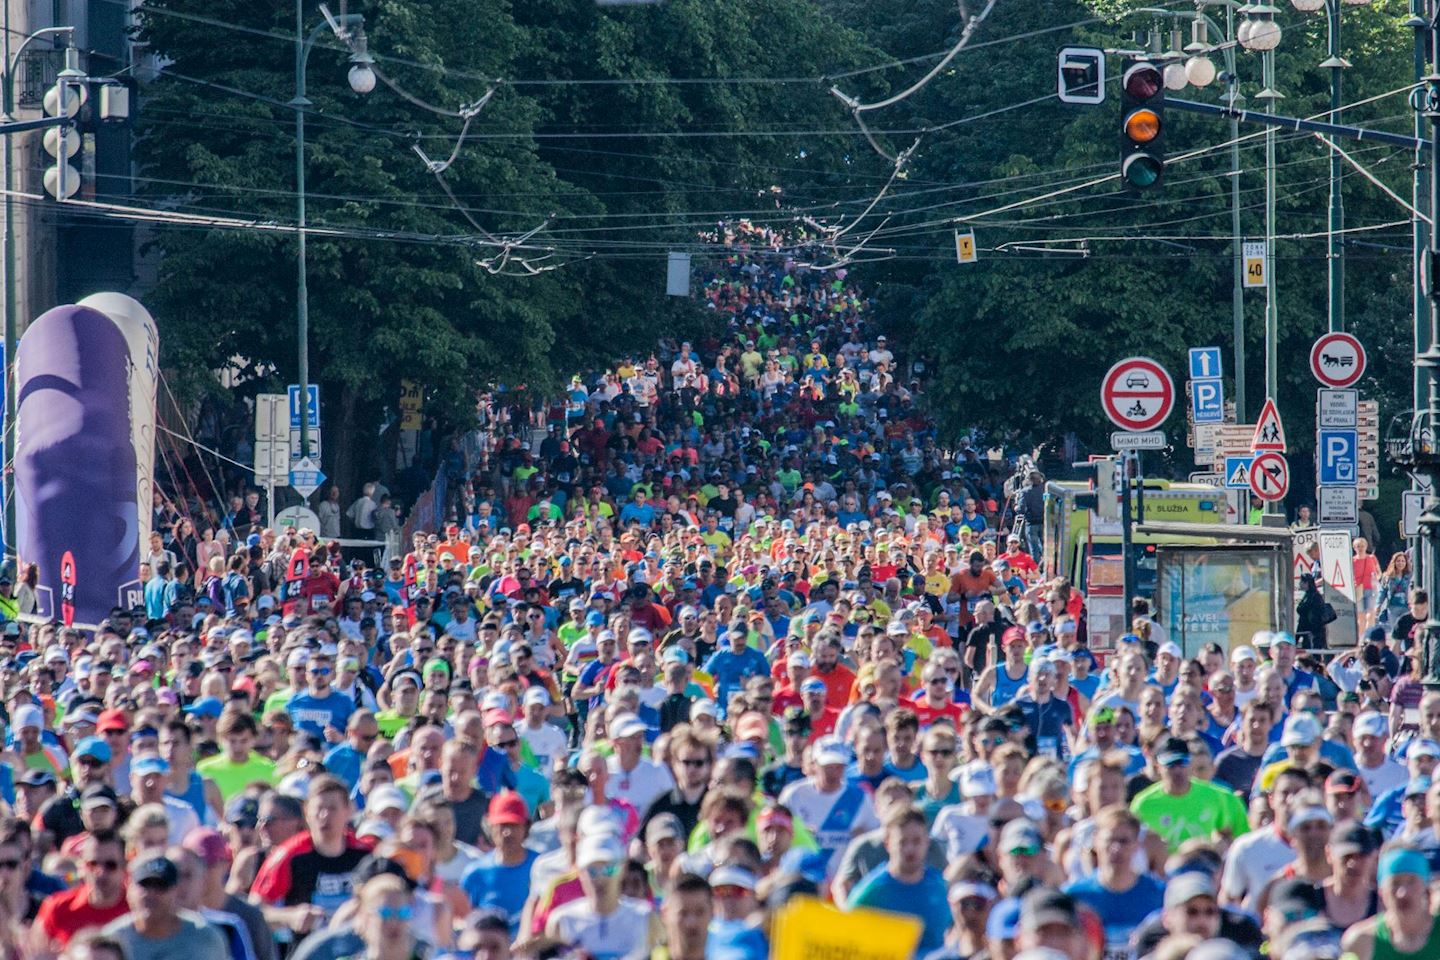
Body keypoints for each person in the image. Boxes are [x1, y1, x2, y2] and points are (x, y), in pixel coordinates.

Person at [250, 776, 372, 935]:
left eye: (332, 808)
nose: (324, 816)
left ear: (348, 811)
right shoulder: (289, 855)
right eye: (319, 808)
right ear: (307, 812)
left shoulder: (366, 854)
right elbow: (255, 908)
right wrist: (290, 916)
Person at [845, 805, 951, 956]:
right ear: (888, 843)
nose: (910, 849)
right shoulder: (870, 892)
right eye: (902, 842)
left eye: (916, 841)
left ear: (927, 842)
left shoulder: (941, 887)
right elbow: (847, 941)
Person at [544, 833, 652, 960]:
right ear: (580, 873)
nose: (601, 879)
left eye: (609, 869)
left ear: (622, 870)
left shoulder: (645, 917)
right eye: (592, 871)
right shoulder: (561, 920)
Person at [1130, 736, 1248, 851]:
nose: (1177, 770)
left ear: (1190, 764)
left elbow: (1238, 837)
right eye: (1170, 764)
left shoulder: (1217, 796)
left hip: (1206, 867)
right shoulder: (1143, 804)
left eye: (1182, 762)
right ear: (1158, 768)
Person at [100, 853, 228, 960]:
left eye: (160, 886)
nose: (151, 894)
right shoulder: (113, 940)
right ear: (129, 888)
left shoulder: (205, 939)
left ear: (176, 891)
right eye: (145, 885)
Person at [32, 830, 131, 954]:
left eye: (110, 865)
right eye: (93, 864)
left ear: (124, 866)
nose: (100, 872)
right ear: (82, 866)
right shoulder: (57, 908)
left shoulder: (136, 909)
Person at [1339, 846, 1440, 959]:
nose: (1402, 893)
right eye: (1394, 883)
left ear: (1426, 886)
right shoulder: (1361, 941)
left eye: (1411, 882)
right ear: (1381, 891)